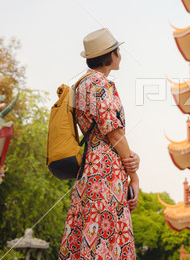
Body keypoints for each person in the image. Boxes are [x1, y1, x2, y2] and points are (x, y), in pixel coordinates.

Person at [58, 28, 140, 260]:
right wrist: (133, 171)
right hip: (106, 167)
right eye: (118, 51)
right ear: (111, 56)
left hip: (90, 164)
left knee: (88, 225)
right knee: (106, 229)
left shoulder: (81, 84)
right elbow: (113, 132)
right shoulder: (101, 84)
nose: (120, 55)